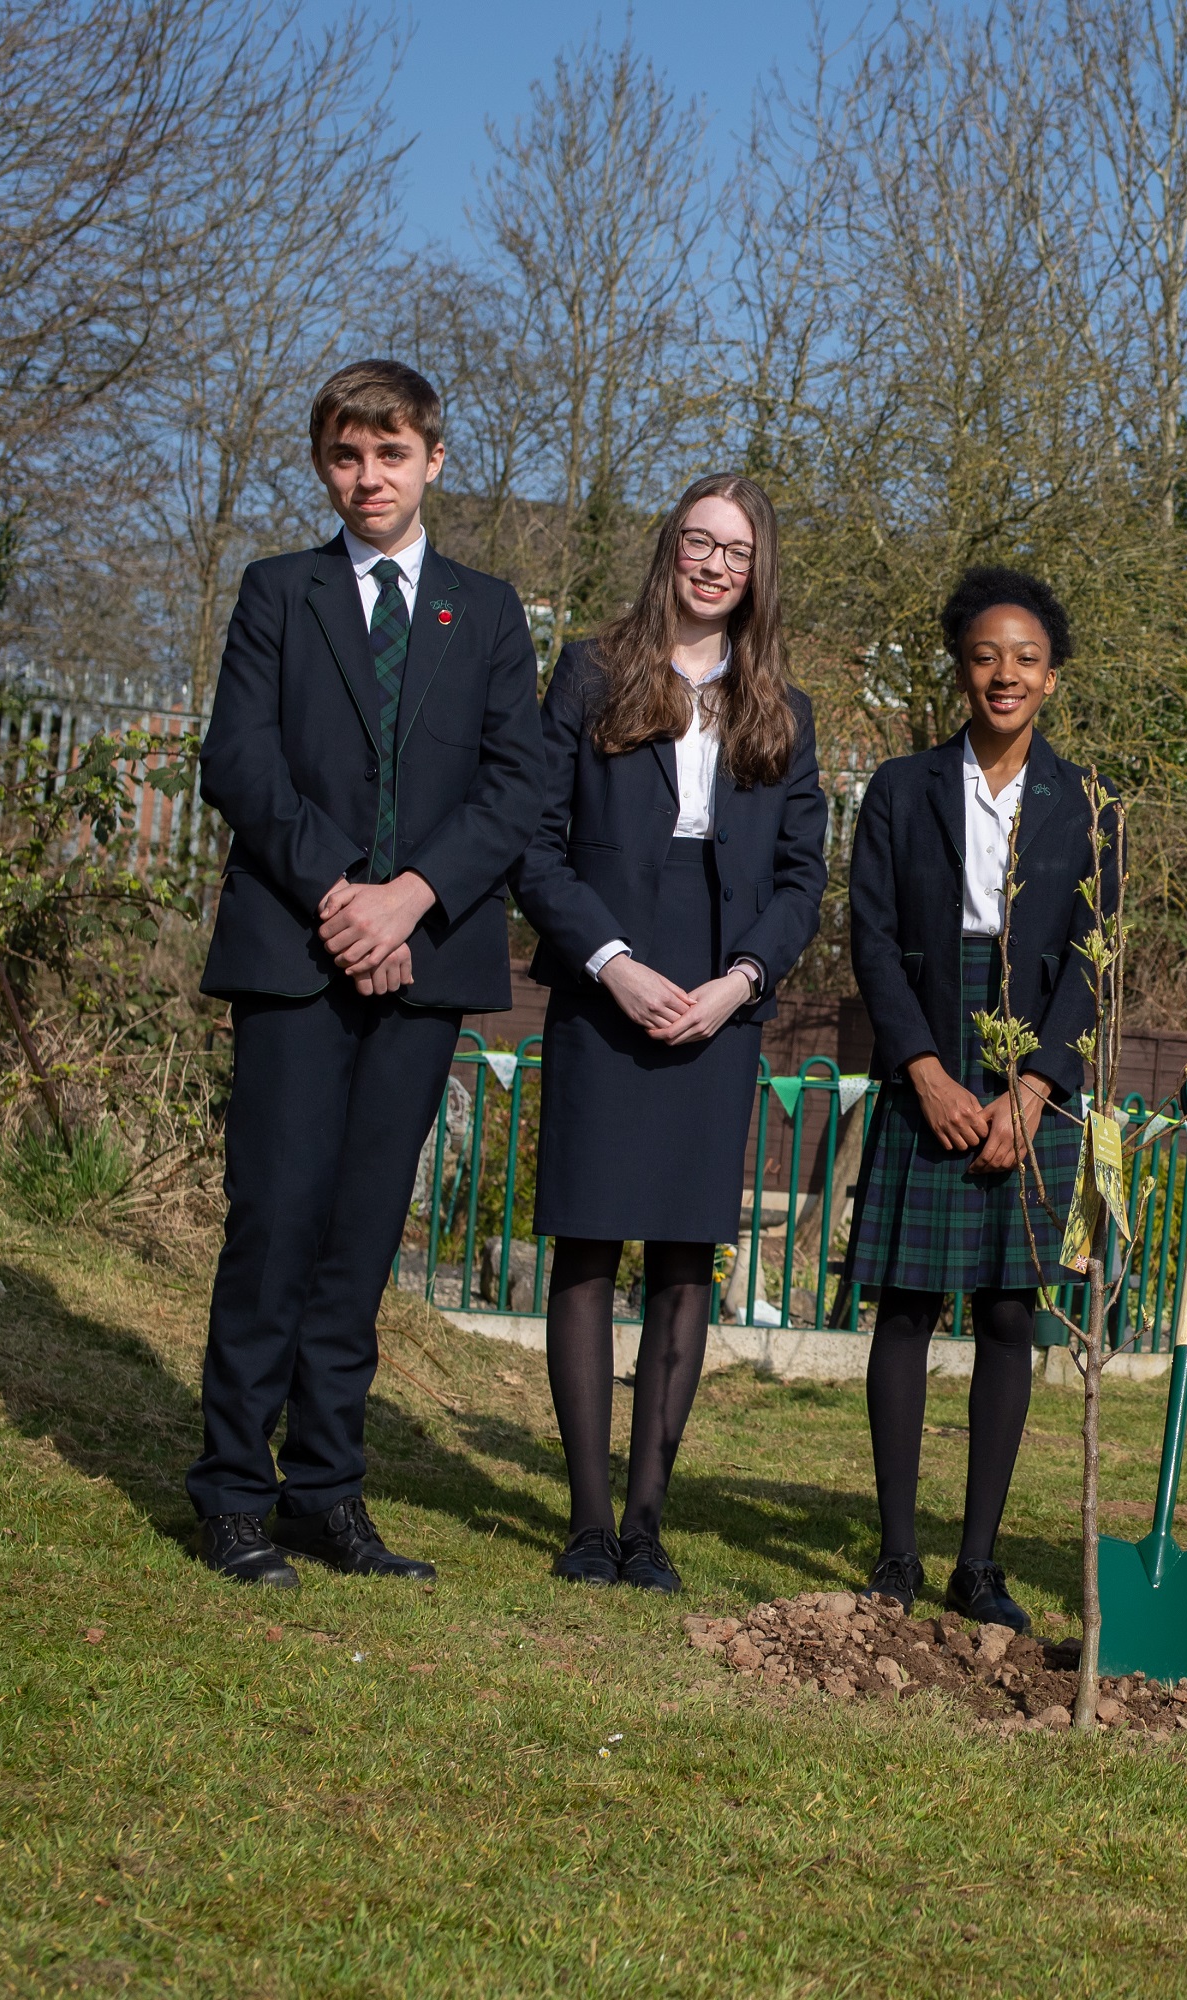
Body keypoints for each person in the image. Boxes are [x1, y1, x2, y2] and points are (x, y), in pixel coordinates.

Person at [189, 359, 544, 1586]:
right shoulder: (277, 594)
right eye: (346, 456)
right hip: (296, 952)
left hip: (425, 961)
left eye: (390, 454)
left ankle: (322, 1491)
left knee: (358, 1242)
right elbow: (235, 760)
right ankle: (232, 1492)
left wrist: (412, 899)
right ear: (321, 465)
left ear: (434, 460)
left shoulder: (489, 612)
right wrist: (345, 892)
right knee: (275, 1223)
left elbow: (517, 786)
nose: (369, 477)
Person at [511, 474, 828, 1593]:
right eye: (696, 541)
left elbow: (802, 875)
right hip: (609, 969)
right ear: (668, 550)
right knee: (590, 1242)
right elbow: (537, 841)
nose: (710, 563)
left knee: (687, 1254)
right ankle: (588, 1524)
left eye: (733, 551)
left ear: (756, 572)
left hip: (721, 983)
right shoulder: (593, 672)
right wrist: (612, 964)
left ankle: (649, 1522)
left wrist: (742, 979)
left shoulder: (779, 703)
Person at [842, 567, 1110, 1632]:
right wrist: (924, 1069)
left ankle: (979, 1562)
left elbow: (1094, 956)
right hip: (929, 1050)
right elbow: (868, 936)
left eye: (1026, 658)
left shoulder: (1089, 802)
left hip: (1032, 1065)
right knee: (904, 1308)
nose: (1004, 673)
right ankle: (898, 1555)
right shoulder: (901, 789)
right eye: (985, 655)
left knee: (1009, 1314)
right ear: (960, 667)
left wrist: (1037, 1083)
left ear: (1052, 677)